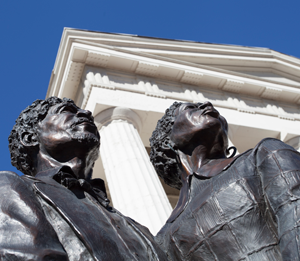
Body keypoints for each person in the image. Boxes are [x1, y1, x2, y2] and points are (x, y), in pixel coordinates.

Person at [1, 97, 167, 261]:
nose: (86, 112)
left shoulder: (135, 226)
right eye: (65, 111)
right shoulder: (11, 187)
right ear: (29, 138)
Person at [150, 101, 300, 261]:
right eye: (190, 108)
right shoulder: (165, 238)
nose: (207, 104)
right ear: (167, 143)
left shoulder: (264, 154)